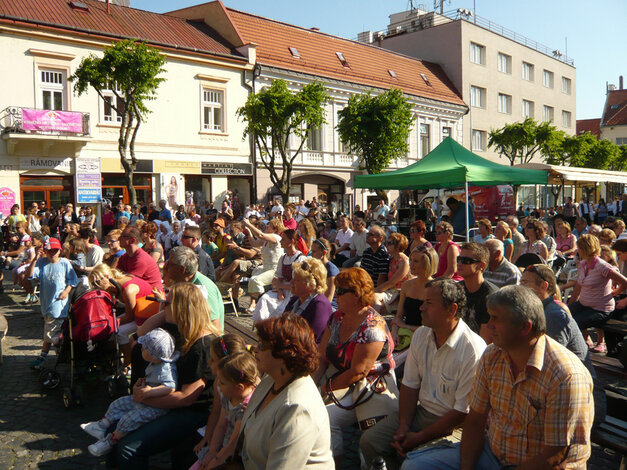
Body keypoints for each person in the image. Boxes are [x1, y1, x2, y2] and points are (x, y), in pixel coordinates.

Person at [401, 285, 595, 470]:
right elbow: (475, 420)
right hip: (494, 454)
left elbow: (554, 457)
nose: (488, 325)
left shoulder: (565, 376)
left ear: (525, 328)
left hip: (538, 465)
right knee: (415, 465)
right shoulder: (493, 355)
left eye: (495, 318)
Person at [361, 279, 486, 469]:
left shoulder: (472, 350)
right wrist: (403, 426)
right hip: (422, 413)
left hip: (455, 426)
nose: (421, 308)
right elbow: (410, 385)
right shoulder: (422, 335)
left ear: (451, 310)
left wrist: (417, 438)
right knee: (370, 441)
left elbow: (462, 413)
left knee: (414, 461)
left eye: (429, 303)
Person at [112, 283, 220, 470]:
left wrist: (144, 398)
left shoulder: (202, 344)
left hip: (194, 413)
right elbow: (140, 335)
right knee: (113, 427)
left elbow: (186, 398)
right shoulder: (181, 331)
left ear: (182, 309)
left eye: (167, 304)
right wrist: (168, 309)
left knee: (127, 448)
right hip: (171, 403)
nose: (162, 306)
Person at [314, 267, 398, 463]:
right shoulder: (337, 318)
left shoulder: (372, 326)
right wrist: (312, 385)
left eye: (342, 291)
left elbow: (358, 372)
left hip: (367, 385)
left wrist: (323, 389)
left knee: (325, 417)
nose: (337, 295)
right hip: (337, 376)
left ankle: (333, 462)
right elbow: (322, 356)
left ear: (358, 294)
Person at [240, 313, 334, 470]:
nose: (255, 349)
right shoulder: (270, 380)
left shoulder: (297, 408)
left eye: (262, 345)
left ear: (283, 354)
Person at [521, 264, 606, 424]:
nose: (520, 287)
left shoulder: (553, 315)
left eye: (526, 283)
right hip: (564, 392)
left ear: (544, 286)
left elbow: (546, 366)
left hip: (585, 399)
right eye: (521, 282)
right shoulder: (539, 311)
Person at [81, 328, 180, 456]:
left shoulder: (165, 368)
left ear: (153, 354)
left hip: (156, 407)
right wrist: (145, 382)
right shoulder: (155, 363)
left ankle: (109, 442)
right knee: (118, 403)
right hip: (145, 398)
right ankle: (101, 426)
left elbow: (170, 387)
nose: (141, 350)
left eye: (144, 349)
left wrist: (150, 391)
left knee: (128, 419)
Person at [189, 351, 259, 470]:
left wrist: (214, 461)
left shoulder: (244, 408)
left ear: (239, 387)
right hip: (221, 447)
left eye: (222, 382)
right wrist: (212, 452)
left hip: (234, 457)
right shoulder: (228, 396)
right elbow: (221, 425)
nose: (218, 385)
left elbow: (233, 445)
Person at [89, 263, 159, 365]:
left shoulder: (128, 290)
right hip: (138, 314)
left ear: (107, 277)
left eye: (97, 283)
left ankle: (128, 363)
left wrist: (111, 322)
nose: (96, 287)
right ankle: (113, 360)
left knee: (119, 331)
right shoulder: (118, 283)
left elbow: (129, 317)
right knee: (112, 330)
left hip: (147, 317)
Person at [26, 238, 79, 370]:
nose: (52, 253)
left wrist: (66, 292)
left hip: (59, 304)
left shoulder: (65, 263)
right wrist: (35, 259)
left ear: (60, 250)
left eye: (55, 250)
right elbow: (30, 275)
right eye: (49, 251)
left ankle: (50, 356)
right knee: (50, 331)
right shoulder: (42, 263)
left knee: (51, 332)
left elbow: (73, 280)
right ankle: (53, 354)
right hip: (46, 303)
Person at [568, 234, 627, 353]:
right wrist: (569, 305)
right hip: (584, 304)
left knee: (576, 322)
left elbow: (625, 282)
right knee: (563, 314)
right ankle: (585, 341)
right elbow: (578, 286)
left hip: (601, 309)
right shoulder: (583, 264)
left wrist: (615, 292)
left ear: (585, 249)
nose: (577, 250)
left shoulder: (602, 266)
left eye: (579, 247)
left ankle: (581, 350)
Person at [164, 246, 224, 332]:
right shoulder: (181, 281)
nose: (166, 266)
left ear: (181, 269)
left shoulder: (203, 287)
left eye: (169, 264)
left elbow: (214, 323)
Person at [252, 229, 304, 323]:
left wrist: (280, 285)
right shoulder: (283, 257)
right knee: (264, 299)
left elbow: (297, 285)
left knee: (282, 309)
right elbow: (276, 278)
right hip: (282, 291)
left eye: (283, 239)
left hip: (294, 293)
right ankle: (261, 327)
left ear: (291, 241)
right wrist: (279, 291)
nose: (280, 241)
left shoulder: (300, 259)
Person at [390, 247, 439, 345]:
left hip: (427, 339)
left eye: (416, 261)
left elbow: (435, 327)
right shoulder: (406, 285)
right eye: (411, 260)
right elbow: (399, 317)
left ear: (427, 264)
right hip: (405, 335)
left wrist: (406, 327)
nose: (411, 264)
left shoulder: (436, 289)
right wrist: (394, 333)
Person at [284, 258, 333, 343]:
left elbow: (310, 341)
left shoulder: (320, 306)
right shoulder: (296, 299)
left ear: (311, 284)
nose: (291, 282)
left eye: (296, 280)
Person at [457, 242, 498, 342]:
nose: (459, 264)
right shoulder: (457, 289)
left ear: (481, 265)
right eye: (459, 259)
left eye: (466, 261)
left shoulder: (490, 296)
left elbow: (485, 341)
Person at [243, 218, 285, 313]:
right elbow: (254, 243)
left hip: (275, 269)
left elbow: (260, 235)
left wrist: (249, 224)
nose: (267, 226)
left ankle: (262, 302)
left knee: (256, 280)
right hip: (266, 267)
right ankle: (253, 303)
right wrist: (249, 231)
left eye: (269, 225)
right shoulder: (266, 240)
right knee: (254, 275)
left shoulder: (276, 237)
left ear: (275, 229)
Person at [375, 232, 411, 312]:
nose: (387, 245)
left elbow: (392, 282)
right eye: (387, 243)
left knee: (374, 300)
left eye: (390, 243)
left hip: (400, 294)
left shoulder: (404, 262)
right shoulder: (392, 259)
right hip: (391, 292)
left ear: (398, 245)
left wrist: (375, 290)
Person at [310, 238, 339, 304]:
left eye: (314, 252)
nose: (311, 255)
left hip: (329, 306)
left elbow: (329, 298)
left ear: (324, 252)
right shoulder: (314, 267)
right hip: (316, 301)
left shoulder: (331, 271)